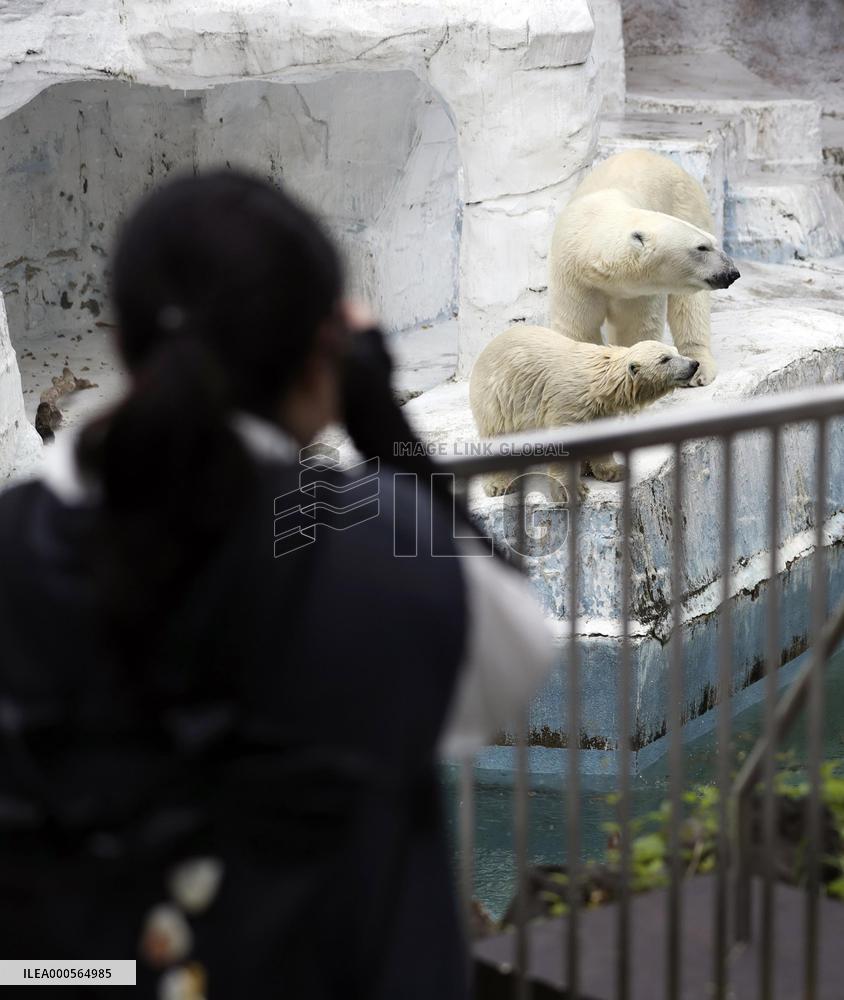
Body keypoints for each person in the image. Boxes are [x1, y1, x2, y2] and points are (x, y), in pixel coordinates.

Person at [0, 171, 553, 998]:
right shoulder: (386, 557)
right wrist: (383, 427)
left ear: (124, 348)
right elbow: (517, 646)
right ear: (323, 355)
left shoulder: (14, 544)